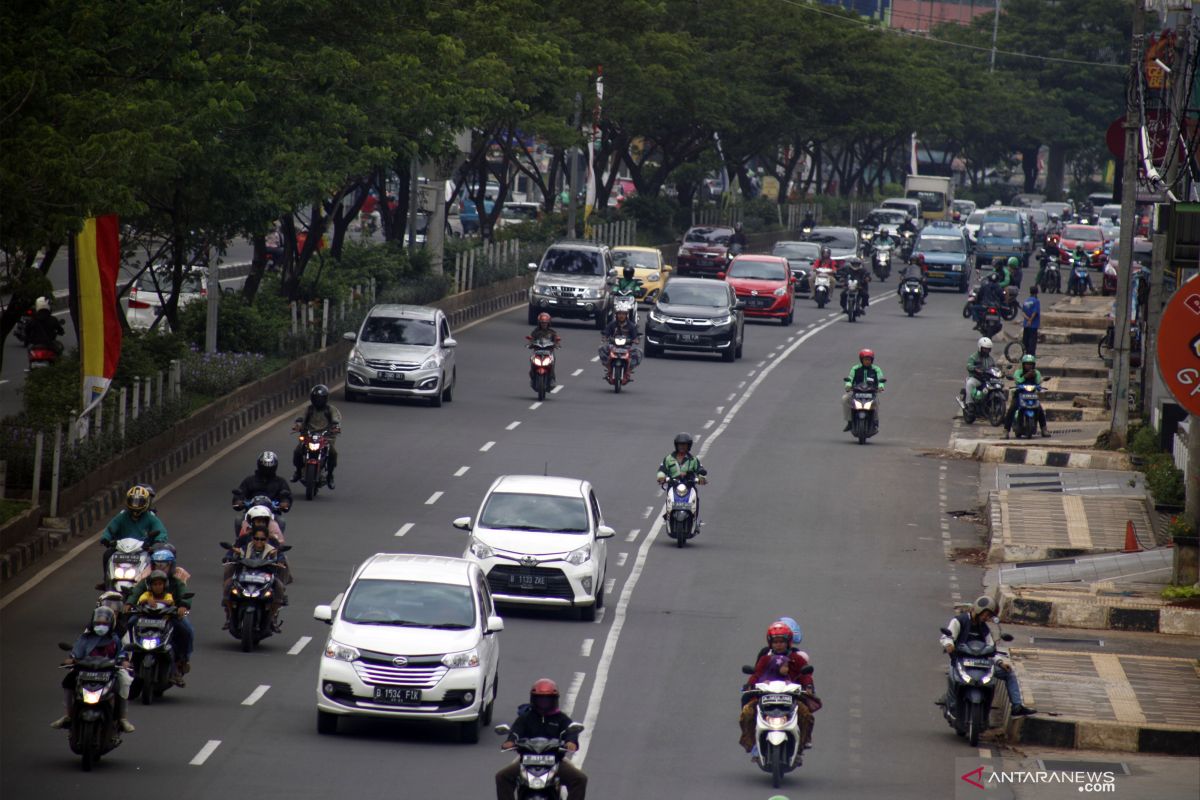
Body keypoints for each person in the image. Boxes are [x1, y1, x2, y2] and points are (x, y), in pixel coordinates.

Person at [938, 596, 1036, 718]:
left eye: (989, 616)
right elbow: (947, 636)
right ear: (979, 610)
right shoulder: (959, 621)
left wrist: (1000, 663)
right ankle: (952, 707)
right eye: (986, 614)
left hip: (982, 664)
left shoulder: (984, 628)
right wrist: (949, 645)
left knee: (1009, 673)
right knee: (952, 678)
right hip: (960, 662)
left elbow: (991, 648)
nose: (986, 618)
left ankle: (1016, 707)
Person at [496, 679, 587, 800]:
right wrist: (510, 741)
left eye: (547, 699)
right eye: (540, 699)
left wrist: (571, 742)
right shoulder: (526, 718)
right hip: (526, 761)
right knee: (502, 777)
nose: (544, 702)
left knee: (580, 779)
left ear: (554, 700)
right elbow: (516, 731)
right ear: (534, 699)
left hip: (555, 761)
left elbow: (569, 732)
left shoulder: (561, 718)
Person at [51, 607, 135, 733]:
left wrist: (123, 661)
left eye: (105, 624)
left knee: (124, 681)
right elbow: (76, 652)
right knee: (68, 682)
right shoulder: (85, 638)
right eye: (99, 623)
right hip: (86, 671)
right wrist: (71, 659)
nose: (101, 626)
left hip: (109, 672)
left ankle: (122, 718)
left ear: (111, 624)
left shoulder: (114, 639)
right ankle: (68, 715)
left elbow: (121, 653)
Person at [739, 622, 816, 754]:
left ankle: (804, 742)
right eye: (775, 642)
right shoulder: (764, 659)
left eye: (781, 642)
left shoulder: (797, 659)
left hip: (791, 698)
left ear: (788, 642)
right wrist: (749, 685)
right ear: (770, 643)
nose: (778, 645)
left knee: (806, 715)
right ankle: (750, 742)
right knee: (747, 713)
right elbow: (756, 674)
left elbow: (806, 675)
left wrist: (808, 686)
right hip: (766, 697)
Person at [124, 547, 194, 684]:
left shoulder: (176, 581)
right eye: (157, 565)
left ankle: (182, 661)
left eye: (164, 565)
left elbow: (184, 594)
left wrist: (183, 606)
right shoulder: (146, 581)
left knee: (187, 630)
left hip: (169, 617)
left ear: (171, 566)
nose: (160, 568)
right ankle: (128, 656)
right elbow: (136, 591)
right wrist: (129, 603)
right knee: (131, 622)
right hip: (146, 616)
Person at [99, 485, 168, 586]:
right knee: (107, 554)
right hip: (122, 549)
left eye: (139, 502)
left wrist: (158, 541)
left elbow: (161, 531)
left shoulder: (150, 517)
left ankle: (155, 584)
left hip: (143, 549)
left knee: (156, 560)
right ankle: (107, 581)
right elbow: (110, 528)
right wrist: (105, 538)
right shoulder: (122, 516)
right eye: (133, 501)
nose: (136, 505)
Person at [222, 524, 287, 632]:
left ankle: (272, 617)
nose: (259, 542)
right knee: (228, 585)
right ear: (253, 538)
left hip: (265, 578)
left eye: (262, 539)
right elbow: (234, 553)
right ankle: (229, 616)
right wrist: (229, 557)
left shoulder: (272, 550)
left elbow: (280, 557)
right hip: (245, 576)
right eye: (256, 539)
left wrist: (280, 561)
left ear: (266, 539)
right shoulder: (245, 548)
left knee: (279, 587)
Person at [291, 384, 341, 488]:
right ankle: (298, 471)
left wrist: (336, 426)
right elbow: (300, 417)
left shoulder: (330, 410)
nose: (318, 400)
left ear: (325, 398)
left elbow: (336, 419)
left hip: (326, 437)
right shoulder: (308, 409)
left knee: (333, 453)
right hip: (308, 436)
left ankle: (330, 475)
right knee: (297, 451)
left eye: (321, 398)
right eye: (316, 398)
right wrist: (298, 425)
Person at [1004, 354, 1049, 439]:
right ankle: (1006, 431)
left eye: (1031, 364)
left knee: (1040, 410)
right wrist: (1025, 376)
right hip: (1020, 394)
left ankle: (1044, 429)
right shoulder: (1018, 372)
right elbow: (1017, 381)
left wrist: (1037, 381)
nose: (1029, 366)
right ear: (1023, 364)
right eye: (1027, 364)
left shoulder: (1036, 372)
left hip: (1032, 395)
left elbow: (1038, 382)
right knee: (1011, 409)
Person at [842, 348, 885, 431]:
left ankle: (875, 422)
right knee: (845, 399)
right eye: (865, 359)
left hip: (871, 393)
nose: (867, 361)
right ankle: (850, 422)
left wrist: (881, 386)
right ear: (861, 360)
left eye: (869, 360)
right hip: (856, 392)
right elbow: (850, 378)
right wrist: (848, 385)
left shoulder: (876, 369)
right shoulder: (855, 368)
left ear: (872, 360)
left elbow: (881, 379)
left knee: (875, 403)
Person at [598, 307, 641, 380]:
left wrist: (636, 340)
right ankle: (608, 368)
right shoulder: (612, 324)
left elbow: (635, 336)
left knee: (639, 352)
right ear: (616, 315)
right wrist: (605, 337)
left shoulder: (631, 326)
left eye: (623, 314)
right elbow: (606, 333)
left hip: (627, 347)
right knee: (601, 348)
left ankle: (629, 370)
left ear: (626, 315)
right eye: (619, 314)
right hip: (613, 345)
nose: (621, 316)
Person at [527, 312, 562, 385]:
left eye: (545, 323)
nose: (544, 324)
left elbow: (556, 340)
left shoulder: (552, 332)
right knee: (532, 360)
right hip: (537, 351)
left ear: (548, 323)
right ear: (539, 323)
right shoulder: (535, 332)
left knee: (552, 363)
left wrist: (557, 344)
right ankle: (532, 376)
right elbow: (531, 339)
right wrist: (530, 344)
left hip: (548, 352)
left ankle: (552, 378)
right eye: (542, 323)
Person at [964, 337, 997, 408]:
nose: (986, 351)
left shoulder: (990, 359)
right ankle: (970, 404)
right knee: (970, 384)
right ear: (980, 348)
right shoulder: (974, 356)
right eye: (985, 349)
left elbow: (995, 367)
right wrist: (975, 368)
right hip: (977, 378)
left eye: (988, 349)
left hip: (987, 379)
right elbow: (968, 365)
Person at [1021, 285, 1040, 357]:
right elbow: (1035, 312)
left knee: (1025, 340)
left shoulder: (1026, 301)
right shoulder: (1036, 301)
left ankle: (1024, 354)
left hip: (1026, 324)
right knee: (1032, 341)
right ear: (1036, 292)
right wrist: (1030, 320)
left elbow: (1023, 312)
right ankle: (1031, 355)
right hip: (1033, 325)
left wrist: (1027, 319)